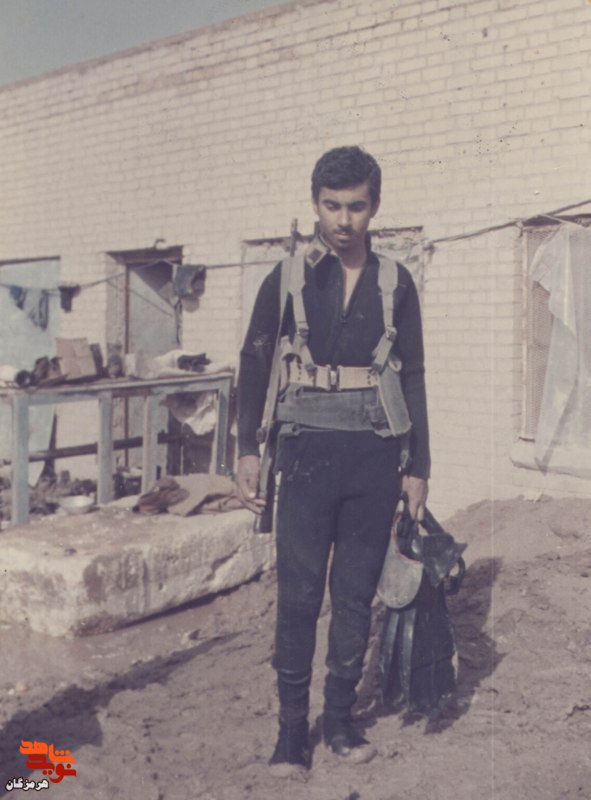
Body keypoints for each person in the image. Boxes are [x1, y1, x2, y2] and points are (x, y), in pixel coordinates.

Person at [235, 146, 430, 774]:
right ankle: (292, 732)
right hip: (305, 456)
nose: (344, 220)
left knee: (353, 597)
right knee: (297, 599)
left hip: (374, 457)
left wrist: (419, 467)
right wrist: (245, 449)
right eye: (332, 206)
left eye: (357, 207)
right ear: (315, 203)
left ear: (375, 207)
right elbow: (253, 361)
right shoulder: (288, 277)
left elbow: (414, 375)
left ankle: (341, 720)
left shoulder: (396, 282)